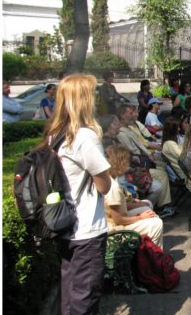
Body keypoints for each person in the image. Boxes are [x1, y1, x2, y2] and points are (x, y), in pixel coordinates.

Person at [36, 74, 112, 314]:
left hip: (65, 225)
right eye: (93, 94)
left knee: (71, 294)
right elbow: (104, 186)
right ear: (84, 100)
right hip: (86, 228)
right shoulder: (84, 137)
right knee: (85, 298)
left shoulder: (55, 134)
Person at [104, 145, 164, 249]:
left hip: (115, 220)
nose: (128, 164)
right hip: (114, 230)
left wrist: (138, 205)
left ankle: (149, 251)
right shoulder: (113, 187)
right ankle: (153, 256)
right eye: (126, 162)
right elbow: (119, 220)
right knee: (156, 224)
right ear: (121, 164)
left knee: (147, 209)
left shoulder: (109, 179)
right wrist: (141, 217)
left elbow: (118, 206)